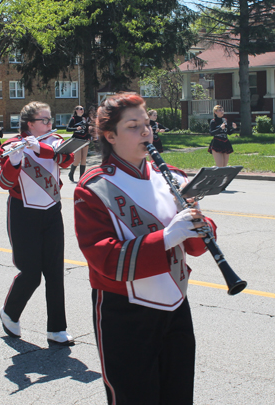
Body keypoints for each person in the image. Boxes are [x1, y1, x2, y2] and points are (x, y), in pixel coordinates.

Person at [73, 92, 217, 405]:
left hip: (176, 306)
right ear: (110, 136)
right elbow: (105, 258)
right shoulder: (93, 187)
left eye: (146, 122)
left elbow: (195, 248)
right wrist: (168, 236)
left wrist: (198, 225)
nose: (146, 131)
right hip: (125, 312)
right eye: (133, 126)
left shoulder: (174, 177)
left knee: (178, 397)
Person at [0, 101, 75, 346]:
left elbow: (66, 160)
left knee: (54, 272)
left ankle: (57, 328)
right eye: (45, 120)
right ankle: (9, 312)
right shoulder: (10, 146)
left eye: (50, 119)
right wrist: (16, 160)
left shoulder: (55, 141)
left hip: (52, 211)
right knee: (31, 273)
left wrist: (40, 147)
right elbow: (4, 184)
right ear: (30, 124)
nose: (50, 124)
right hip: (23, 212)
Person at [66, 105, 91, 182]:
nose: (82, 110)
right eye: (80, 109)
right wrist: (76, 128)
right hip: (77, 140)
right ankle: (71, 173)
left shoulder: (85, 119)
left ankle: (81, 178)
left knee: (84, 159)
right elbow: (68, 129)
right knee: (77, 159)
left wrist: (89, 138)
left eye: (83, 109)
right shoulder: (73, 119)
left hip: (85, 140)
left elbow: (87, 129)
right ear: (76, 110)